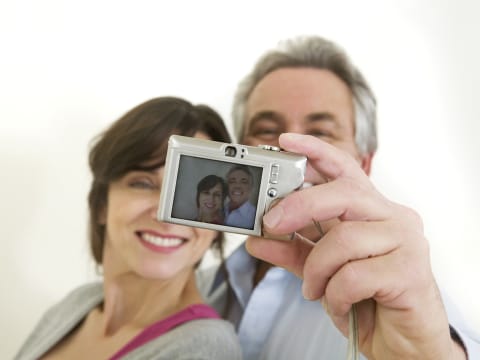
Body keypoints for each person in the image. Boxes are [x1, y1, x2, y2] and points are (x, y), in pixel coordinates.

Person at [199, 36, 480, 359]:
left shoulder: (402, 295)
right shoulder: (197, 287)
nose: (290, 151)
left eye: (320, 133)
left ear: (363, 164)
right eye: (265, 130)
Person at [15, 97, 241, 360]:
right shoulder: (76, 306)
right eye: (144, 183)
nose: (165, 216)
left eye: (192, 190)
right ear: (101, 204)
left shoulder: (205, 348)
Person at [224, 165, 256, 229]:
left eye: (244, 182)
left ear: (251, 188)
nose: (237, 186)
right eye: (232, 181)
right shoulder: (218, 210)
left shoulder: (255, 216)